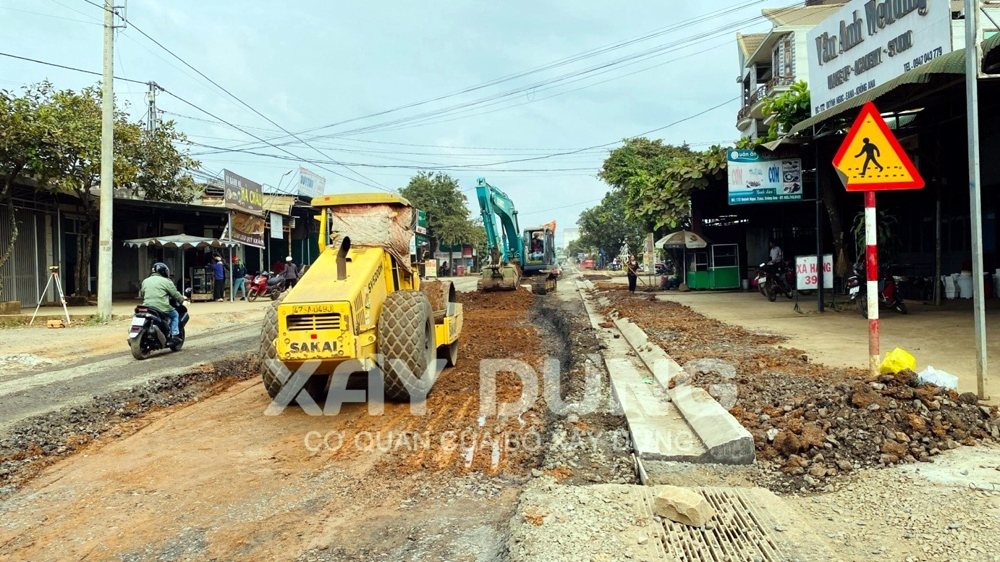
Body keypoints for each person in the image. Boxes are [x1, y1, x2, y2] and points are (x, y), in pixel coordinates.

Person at [140, 262, 184, 344]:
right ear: (163, 271)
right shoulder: (167, 281)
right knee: (175, 315)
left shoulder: (145, 281)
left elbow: (143, 293)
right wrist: (181, 299)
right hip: (161, 307)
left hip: (147, 307)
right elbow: (175, 294)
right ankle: (175, 335)